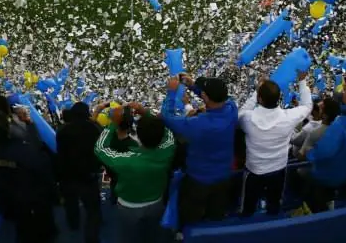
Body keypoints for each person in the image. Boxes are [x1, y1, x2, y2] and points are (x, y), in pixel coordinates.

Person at [161, 75, 238, 226]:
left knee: (190, 217)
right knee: (216, 216)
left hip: (198, 180)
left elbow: (166, 117)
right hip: (224, 177)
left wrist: (171, 92)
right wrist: (193, 86)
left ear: (205, 97)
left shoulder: (198, 124)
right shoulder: (232, 109)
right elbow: (218, 99)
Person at [94, 105, 175, 243]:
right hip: (156, 202)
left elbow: (100, 148)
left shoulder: (125, 160)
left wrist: (114, 123)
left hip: (129, 207)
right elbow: (167, 132)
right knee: (153, 235)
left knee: (130, 238)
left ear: (139, 135)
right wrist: (146, 113)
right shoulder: (168, 149)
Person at [237, 73, 313, 216]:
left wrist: (256, 91)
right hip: (278, 168)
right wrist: (302, 81)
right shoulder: (289, 117)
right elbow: (308, 106)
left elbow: (241, 113)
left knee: (248, 204)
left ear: (260, 98)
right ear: (279, 99)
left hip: (254, 171)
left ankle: (246, 220)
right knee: (274, 201)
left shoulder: (248, 118)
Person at [0, 109, 57, 243]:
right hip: (31, 196)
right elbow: (40, 162)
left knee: (21, 226)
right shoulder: (20, 149)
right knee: (42, 228)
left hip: (7, 196)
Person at [301, 78, 346, 213]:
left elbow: (323, 152)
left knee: (302, 175)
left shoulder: (341, 125)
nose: (343, 91)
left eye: (345, 90)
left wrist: (309, 153)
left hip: (332, 175)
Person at [56, 101, 103, 243]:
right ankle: (91, 238)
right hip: (88, 177)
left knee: (71, 204)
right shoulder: (94, 129)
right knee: (92, 211)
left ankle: (73, 224)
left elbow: (60, 153)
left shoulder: (62, 130)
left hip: (67, 176)